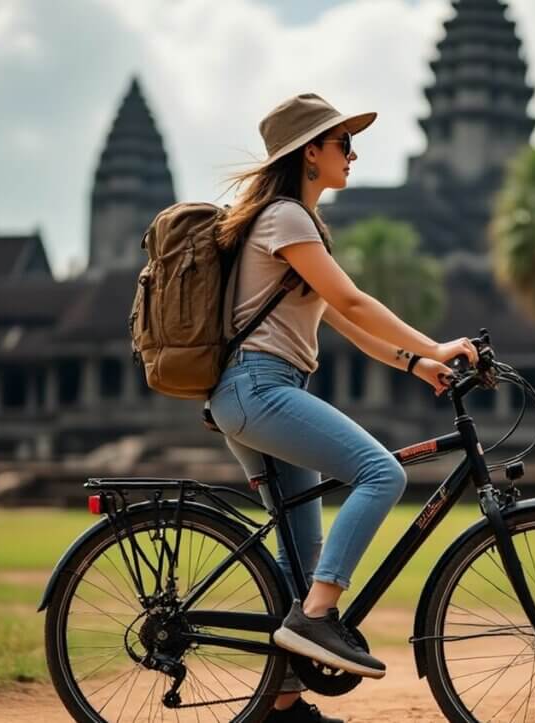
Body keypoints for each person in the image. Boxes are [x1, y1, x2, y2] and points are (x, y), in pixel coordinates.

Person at [209, 92, 479, 723]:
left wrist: (417, 365)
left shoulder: (291, 222)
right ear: (311, 153)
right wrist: (435, 341)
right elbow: (354, 302)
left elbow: (345, 324)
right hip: (259, 388)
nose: (353, 155)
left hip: (258, 392)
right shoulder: (285, 219)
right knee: (382, 472)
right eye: (342, 144)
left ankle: (282, 703)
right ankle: (316, 616)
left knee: (300, 554)